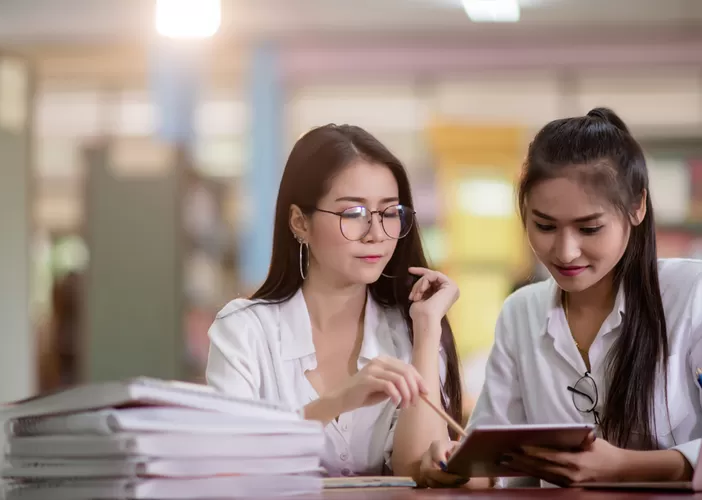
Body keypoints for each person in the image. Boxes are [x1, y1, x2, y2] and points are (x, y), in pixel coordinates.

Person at [417, 107, 702, 488]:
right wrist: (449, 465)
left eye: (589, 228)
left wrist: (626, 466)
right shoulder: (522, 311)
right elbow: (492, 467)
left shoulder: (690, 294)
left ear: (637, 207)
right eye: (544, 226)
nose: (565, 252)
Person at [205, 124, 463, 478]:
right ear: (300, 223)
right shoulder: (245, 330)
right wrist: (337, 401)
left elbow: (416, 469)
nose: (376, 235)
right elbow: (226, 462)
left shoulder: (412, 329)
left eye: (389, 213)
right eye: (353, 214)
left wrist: (428, 328)